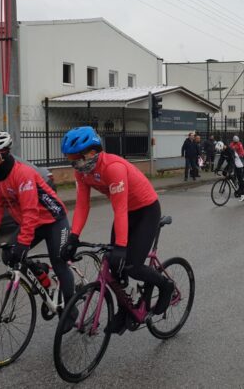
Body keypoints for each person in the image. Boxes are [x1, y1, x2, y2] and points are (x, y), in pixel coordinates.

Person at [59, 126, 174, 333]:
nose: (73, 163)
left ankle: (165, 285)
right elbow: (82, 205)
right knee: (114, 267)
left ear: (91, 153)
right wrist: (73, 237)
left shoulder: (113, 167)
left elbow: (119, 208)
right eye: (70, 159)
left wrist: (121, 247)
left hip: (146, 210)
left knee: (132, 266)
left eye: (75, 158)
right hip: (127, 212)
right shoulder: (82, 173)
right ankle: (124, 310)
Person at [0, 131, 75, 314]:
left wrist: (24, 243)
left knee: (59, 264)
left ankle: (69, 310)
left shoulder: (22, 174)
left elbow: (30, 211)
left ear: (2, 154)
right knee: (9, 255)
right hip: (33, 223)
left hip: (54, 221)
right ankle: (41, 274)